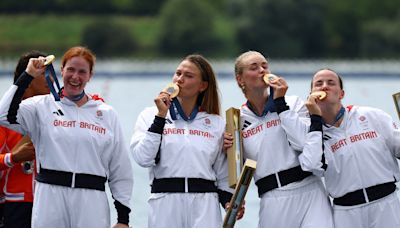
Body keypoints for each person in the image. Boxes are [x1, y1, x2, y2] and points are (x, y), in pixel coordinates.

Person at [0, 46, 133, 228]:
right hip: (50, 197)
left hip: (91, 199)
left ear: (90, 75)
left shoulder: (106, 113)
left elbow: (120, 168)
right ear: (61, 70)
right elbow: (3, 115)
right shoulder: (41, 106)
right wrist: (29, 74)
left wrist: (123, 218)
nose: (75, 77)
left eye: (82, 72)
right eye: (70, 69)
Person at [224, 51, 333, 228]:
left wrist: (281, 103)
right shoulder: (236, 120)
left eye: (265, 66)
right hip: (272, 198)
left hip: (310, 191)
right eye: (254, 67)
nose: (262, 70)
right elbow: (234, 171)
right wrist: (232, 199)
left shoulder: (293, 103)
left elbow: (304, 143)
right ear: (240, 79)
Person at [130, 54, 238, 228]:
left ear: (202, 86)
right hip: (165, 202)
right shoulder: (150, 115)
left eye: (188, 76)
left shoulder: (216, 123)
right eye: (178, 73)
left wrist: (229, 201)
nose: (180, 79)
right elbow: (143, 158)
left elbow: (222, 172)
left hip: (205, 204)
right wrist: (160, 117)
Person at [299, 68, 400, 228]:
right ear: (310, 95)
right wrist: (315, 122)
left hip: (386, 204)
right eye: (319, 84)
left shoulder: (372, 116)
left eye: (331, 83)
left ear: (341, 94)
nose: (325, 86)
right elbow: (312, 166)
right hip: (346, 212)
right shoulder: (310, 133)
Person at [0, 50, 50, 228]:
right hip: (15, 204)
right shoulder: (4, 119)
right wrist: (12, 158)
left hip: (50, 202)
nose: (50, 79)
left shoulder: (55, 114)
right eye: (44, 74)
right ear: (27, 79)